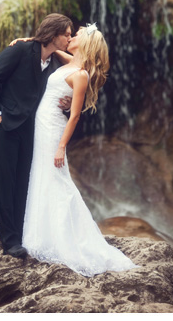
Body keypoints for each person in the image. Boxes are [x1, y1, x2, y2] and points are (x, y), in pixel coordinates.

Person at [21, 23, 139, 276]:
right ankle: (42, 232)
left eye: (76, 35)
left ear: (85, 43)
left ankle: (62, 238)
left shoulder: (81, 74)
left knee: (55, 179)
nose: (70, 37)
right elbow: (52, 50)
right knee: (41, 176)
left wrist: (61, 147)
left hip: (53, 129)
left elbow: (74, 116)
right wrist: (28, 40)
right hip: (42, 124)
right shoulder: (71, 62)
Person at [0, 13, 73, 258]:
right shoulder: (19, 51)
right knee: (5, 182)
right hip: (6, 126)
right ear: (53, 34)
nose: (69, 38)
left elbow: (74, 73)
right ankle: (9, 242)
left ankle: (22, 235)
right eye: (66, 34)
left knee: (24, 181)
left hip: (32, 130)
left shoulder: (55, 63)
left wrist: (66, 103)